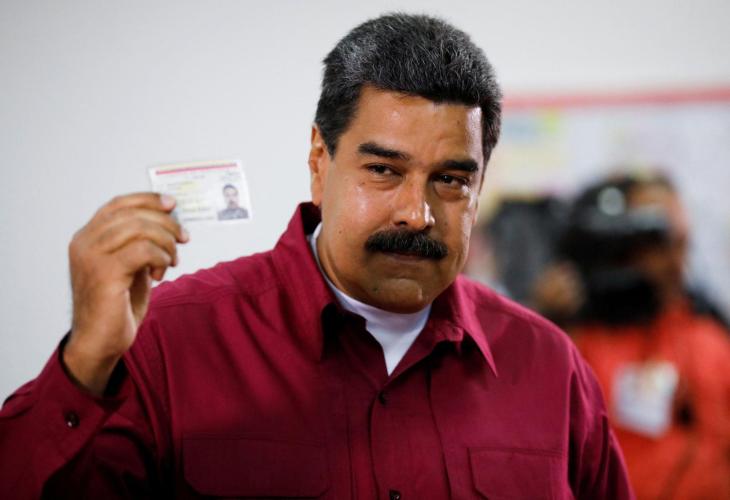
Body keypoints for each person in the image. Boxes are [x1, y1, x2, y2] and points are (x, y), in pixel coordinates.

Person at [0, 14, 632, 499]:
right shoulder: (169, 343)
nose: (416, 213)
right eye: (383, 170)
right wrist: (86, 363)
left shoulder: (551, 370)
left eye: (450, 180)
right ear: (319, 161)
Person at [535, 173, 730, 498]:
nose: (672, 260)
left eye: (679, 242)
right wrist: (545, 322)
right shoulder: (572, 340)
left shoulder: (709, 339)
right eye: (653, 240)